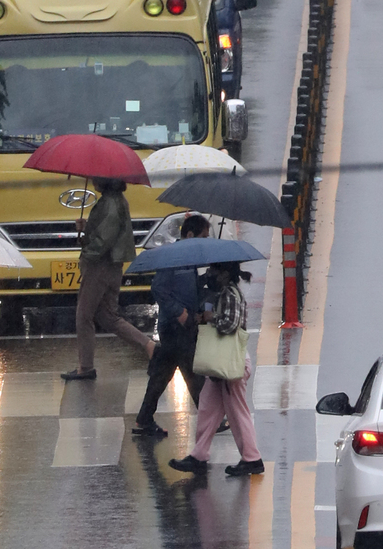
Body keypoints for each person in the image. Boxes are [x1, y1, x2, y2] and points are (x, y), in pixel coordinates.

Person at [169, 262, 264, 478]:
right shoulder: (222, 293)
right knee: (207, 407)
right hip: (220, 364)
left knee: (237, 411)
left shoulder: (230, 294)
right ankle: (199, 455)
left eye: (214, 271)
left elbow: (230, 325)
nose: (210, 274)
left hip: (231, 363)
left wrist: (212, 319)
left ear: (225, 274)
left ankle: (252, 458)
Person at [63, 178, 155, 381]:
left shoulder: (111, 203)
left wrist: (87, 250)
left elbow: (104, 239)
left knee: (84, 314)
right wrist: (86, 229)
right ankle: (148, 346)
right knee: (108, 317)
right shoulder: (113, 200)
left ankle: (85, 367)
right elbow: (105, 233)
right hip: (111, 265)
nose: (92, 179)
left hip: (100, 266)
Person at [132, 214, 210, 438]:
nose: (205, 242)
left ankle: (144, 418)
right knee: (193, 372)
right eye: (203, 237)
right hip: (174, 327)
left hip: (184, 326)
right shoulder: (173, 259)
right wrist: (180, 313)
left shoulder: (191, 260)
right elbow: (159, 289)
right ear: (189, 235)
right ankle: (210, 417)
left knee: (162, 374)